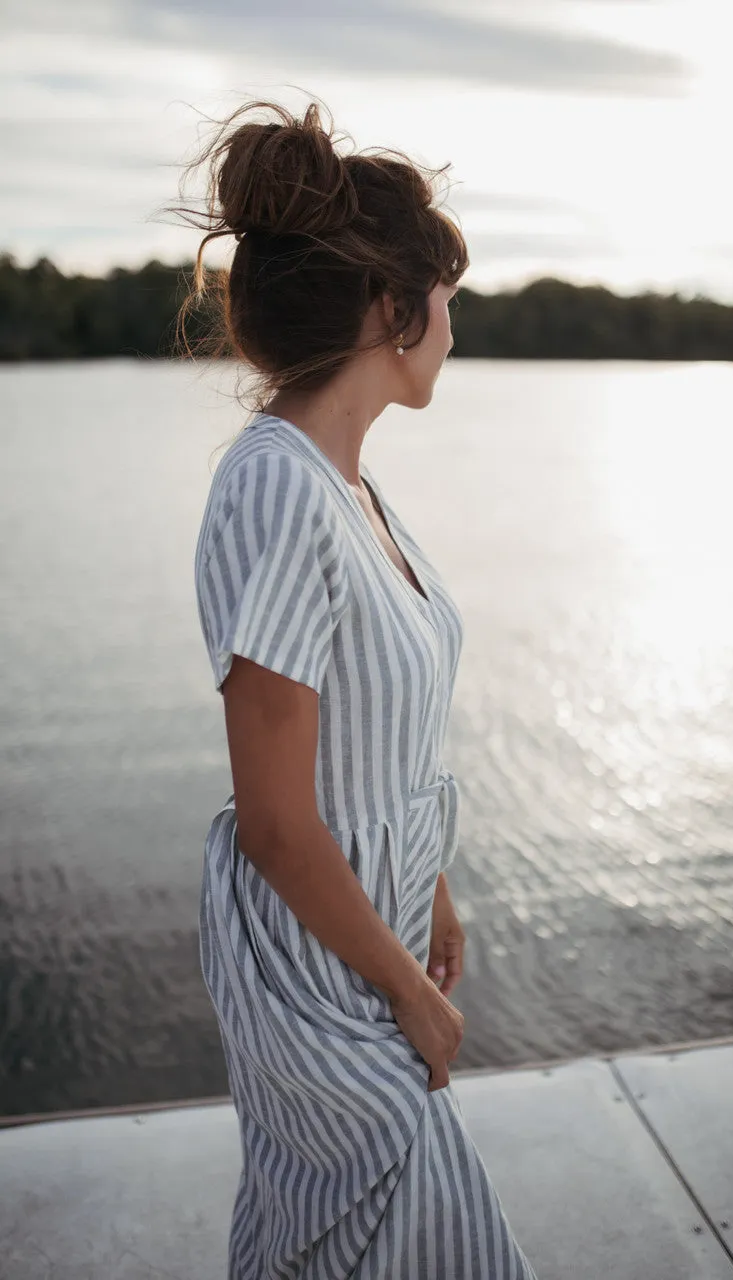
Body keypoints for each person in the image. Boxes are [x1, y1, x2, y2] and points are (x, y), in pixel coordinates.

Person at [177, 96, 538, 1278]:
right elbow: (279, 820)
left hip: (367, 932)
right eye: (446, 296)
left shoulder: (352, 489)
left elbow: (376, 738)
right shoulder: (279, 487)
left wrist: (426, 886)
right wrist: (412, 996)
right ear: (393, 307)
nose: (452, 325)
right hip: (314, 965)